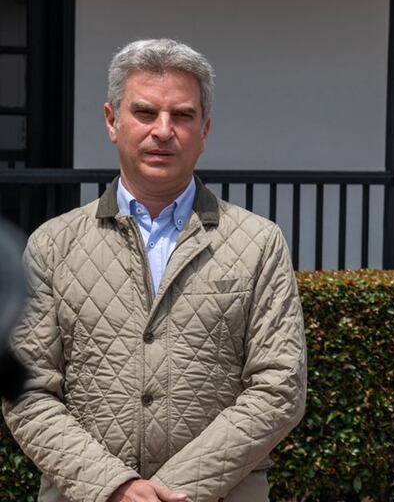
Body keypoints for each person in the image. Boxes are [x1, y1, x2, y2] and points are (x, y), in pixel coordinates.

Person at [3, 39, 307, 502]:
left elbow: (279, 387)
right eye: (145, 112)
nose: (163, 131)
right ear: (111, 121)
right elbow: (26, 390)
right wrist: (114, 487)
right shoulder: (52, 245)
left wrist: (172, 490)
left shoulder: (259, 243)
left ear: (204, 129)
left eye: (182, 116)